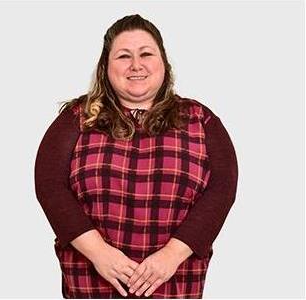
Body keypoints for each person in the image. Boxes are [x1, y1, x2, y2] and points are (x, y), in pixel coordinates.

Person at [34, 14, 238, 299]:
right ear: (106, 67)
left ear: (163, 63)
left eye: (146, 54)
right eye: (123, 56)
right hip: (91, 283)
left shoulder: (200, 120)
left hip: (175, 280)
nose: (136, 65)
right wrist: (100, 254)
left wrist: (171, 256)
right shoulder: (76, 118)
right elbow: (49, 186)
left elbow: (222, 189)